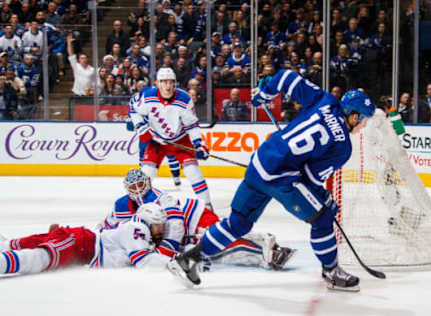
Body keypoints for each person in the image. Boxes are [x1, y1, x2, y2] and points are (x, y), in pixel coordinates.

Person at [167, 69, 375, 292]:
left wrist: (265, 93)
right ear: (354, 116)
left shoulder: (325, 100)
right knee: (323, 218)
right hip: (280, 177)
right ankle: (332, 272)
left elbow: (286, 77)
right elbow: (311, 178)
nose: (363, 126)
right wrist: (325, 199)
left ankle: (188, 260)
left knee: (238, 223)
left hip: (260, 161)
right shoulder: (343, 147)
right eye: (363, 121)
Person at [98, 168, 295, 270]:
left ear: (148, 182)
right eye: (132, 188)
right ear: (127, 189)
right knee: (215, 251)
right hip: (188, 233)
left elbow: (175, 226)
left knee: (219, 240)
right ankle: (262, 246)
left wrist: (165, 251)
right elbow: (107, 225)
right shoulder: (121, 205)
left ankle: (265, 246)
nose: (137, 190)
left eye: (140, 184)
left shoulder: (161, 198)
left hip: (195, 218)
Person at [0, 203, 171, 276]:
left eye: (162, 226)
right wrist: (174, 262)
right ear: (147, 221)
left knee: (12, 244)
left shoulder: (134, 228)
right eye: (158, 225)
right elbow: (143, 260)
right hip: (81, 244)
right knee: (41, 258)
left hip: (79, 241)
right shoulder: (138, 228)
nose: (160, 230)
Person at [129, 67, 214, 209]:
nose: (167, 86)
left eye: (170, 82)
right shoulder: (148, 96)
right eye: (164, 82)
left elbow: (192, 125)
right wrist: (141, 127)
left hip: (180, 140)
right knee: (146, 175)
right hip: (157, 142)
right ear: (158, 83)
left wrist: (199, 144)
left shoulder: (184, 99)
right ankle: (138, 207)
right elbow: (133, 108)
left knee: (193, 172)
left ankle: (207, 206)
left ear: (174, 83)